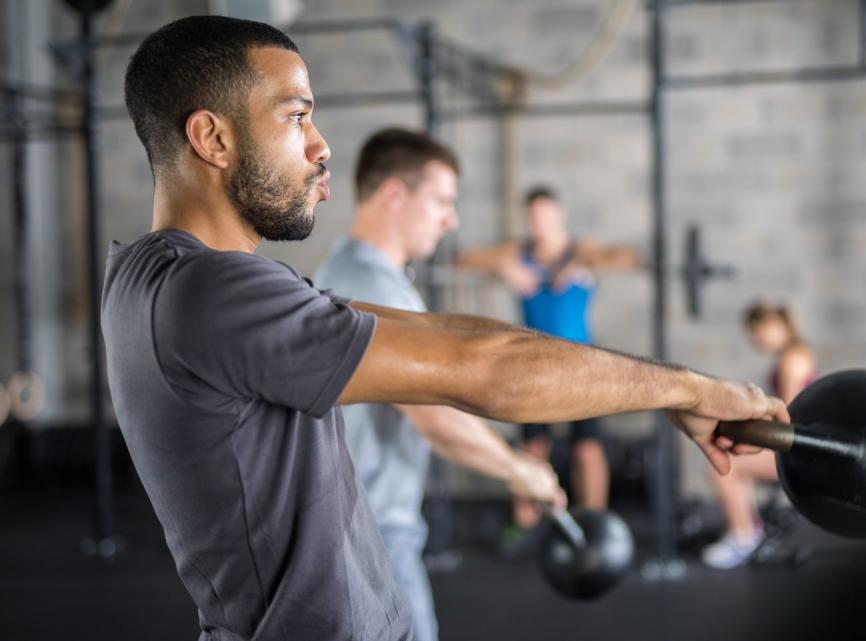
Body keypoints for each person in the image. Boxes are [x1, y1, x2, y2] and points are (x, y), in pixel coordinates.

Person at [102, 15, 787, 641]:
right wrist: (688, 390)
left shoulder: (143, 277)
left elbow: (441, 335)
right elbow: (483, 370)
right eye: (296, 117)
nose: (320, 144)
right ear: (212, 137)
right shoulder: (214, 291)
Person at [313, 127, 564, 641]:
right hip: (373, 534)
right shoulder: (372, 286)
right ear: (394, 195)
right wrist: (522, 471)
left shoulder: (357, 271)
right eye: (442, 201)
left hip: (365, 526)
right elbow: (434, 418)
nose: (451, 220)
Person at [456, 187, 642, 554]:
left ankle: (594, 522)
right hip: (532, 368)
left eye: (546, 216)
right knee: (532, 447)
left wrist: (583, 266)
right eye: (534, 217)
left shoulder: (580, 251)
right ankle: (525, 524)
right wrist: (502, 266)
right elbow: (464, 258)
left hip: (582, 367)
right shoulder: (517, 252)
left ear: (560, 216)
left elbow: (629, 257)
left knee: (587, 448)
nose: (540, 224)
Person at [700, 302, 816, 569]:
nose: (756, 339)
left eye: (758, 332)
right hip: (794, 445)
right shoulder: (794, 354)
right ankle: (747, 529)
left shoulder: (792, 359)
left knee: (723, 466)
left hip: (799, 455)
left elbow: (788, 415)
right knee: (728, 457)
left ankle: (744, 537)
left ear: (776, 326)